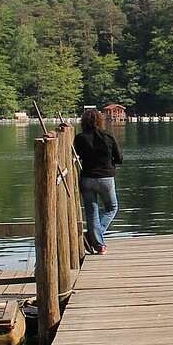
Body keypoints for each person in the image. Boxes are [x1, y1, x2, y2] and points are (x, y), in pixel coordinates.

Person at [73, 108, 122, 254]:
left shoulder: (80, 138)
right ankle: (93, 238)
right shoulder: (108, 136)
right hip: (106, 178)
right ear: (100, 120)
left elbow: (76, 155)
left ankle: (97, 243)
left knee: (91, 212)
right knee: (112, 208)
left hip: (87, 178)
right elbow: (119, 159)